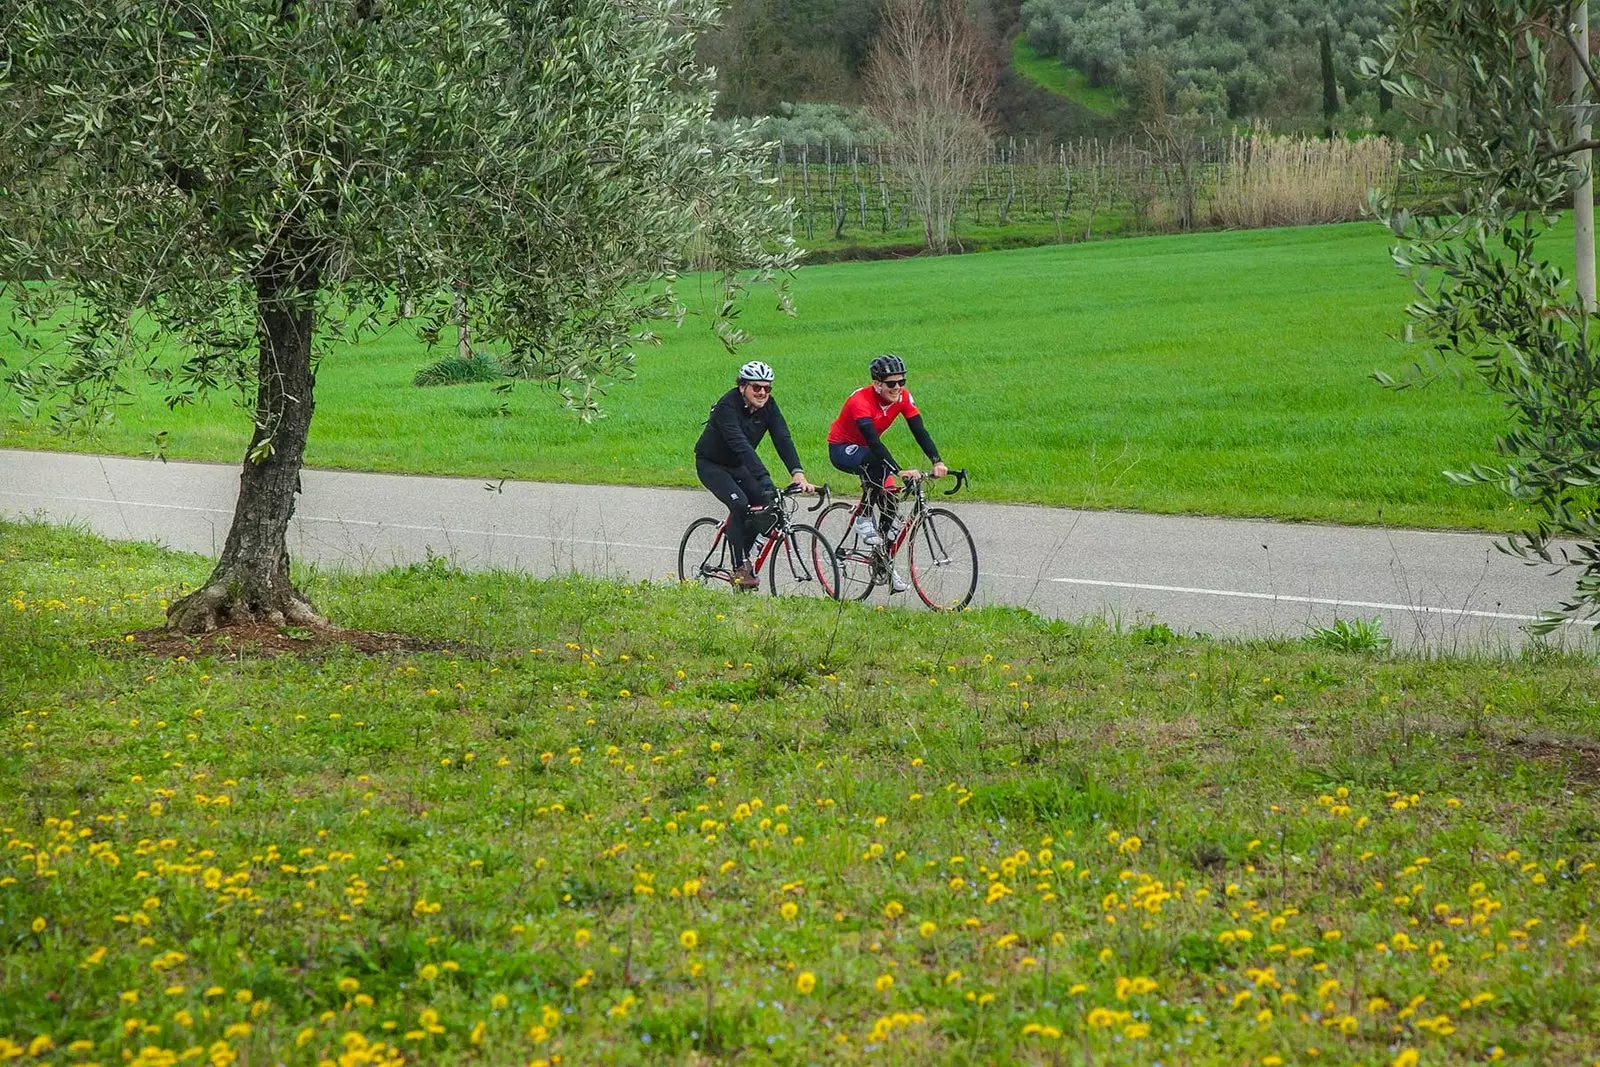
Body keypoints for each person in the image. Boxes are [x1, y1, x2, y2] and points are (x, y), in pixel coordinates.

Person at [827, 354, 948, 592]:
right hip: (843, 449)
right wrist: (899, 470)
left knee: (891, 497)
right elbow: (873, 443)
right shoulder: (860, 401)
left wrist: (937, 460)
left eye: (901, 382)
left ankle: (882, 559)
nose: (897, 388)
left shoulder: (903, 397)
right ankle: (863, 517)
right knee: (879, 464)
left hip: (872, 454)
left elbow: (919, 431)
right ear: (877, 383)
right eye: (891, 383)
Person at [695, 360, 817, 589]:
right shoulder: (726, 407)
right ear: (742, 387)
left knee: (763, 501)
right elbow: (741, 445)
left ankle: (745, 554)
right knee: (740, 504)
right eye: (756, 387)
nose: (762, 393)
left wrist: (797, 473)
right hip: (711, 464)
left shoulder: (769, 406)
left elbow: (782, 438)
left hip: (737, 465)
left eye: (767, 388)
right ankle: (739, 565)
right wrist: (764, 478)